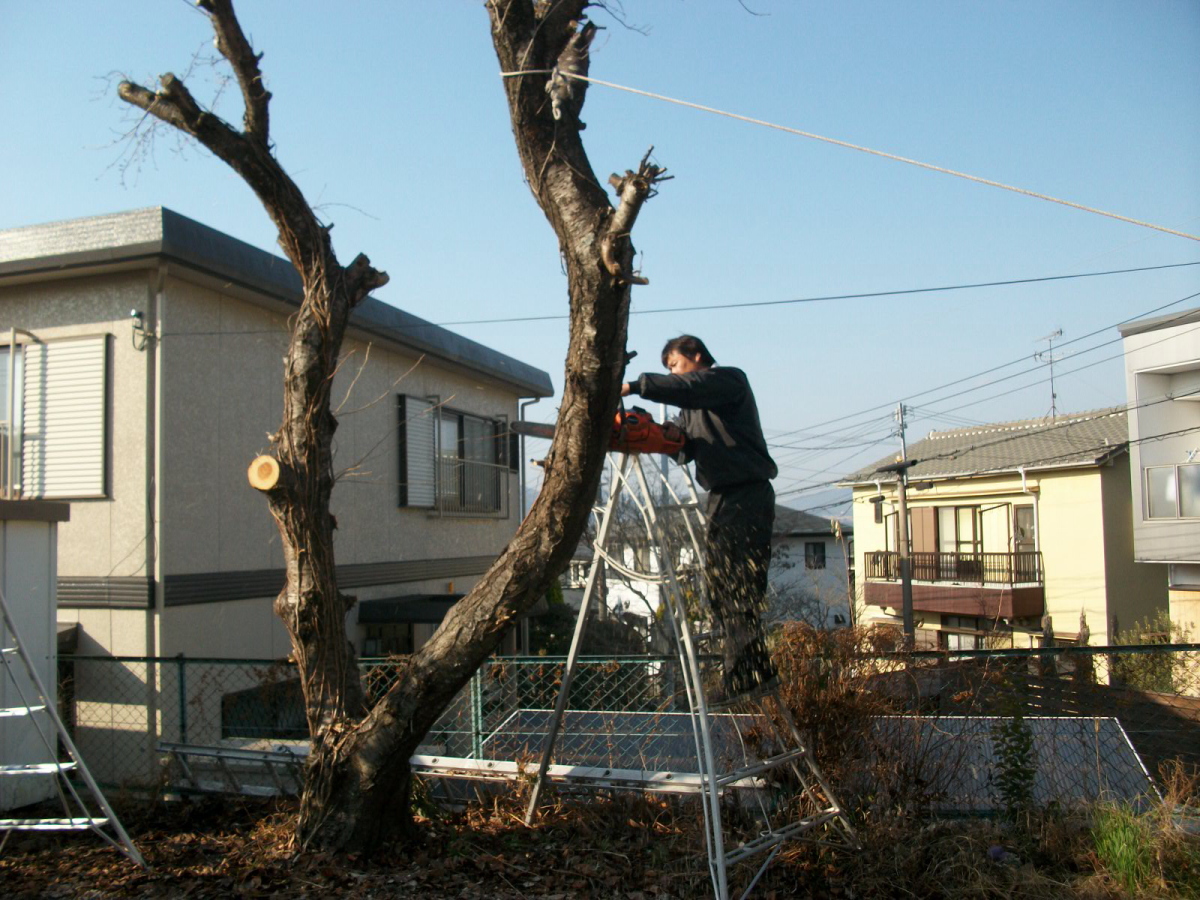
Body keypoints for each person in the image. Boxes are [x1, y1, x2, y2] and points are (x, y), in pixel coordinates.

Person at [621, 335, 779, 699]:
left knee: (740, 585)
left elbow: (691, 387)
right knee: (722, 589)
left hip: (748, 493)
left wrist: (635, 386)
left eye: (675, 365)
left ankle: (744, 675)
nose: (674, 374)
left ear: (695, 355)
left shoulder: (728, 381)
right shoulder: (691, 409)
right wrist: (658, 433)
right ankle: (754, 669)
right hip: (722, 497)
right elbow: (683, 441)